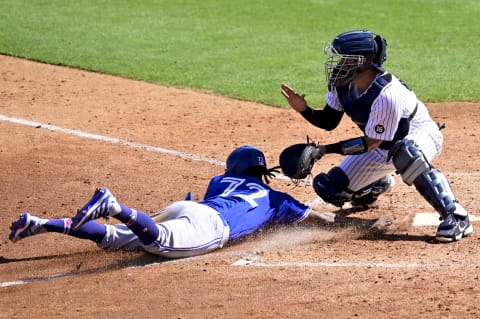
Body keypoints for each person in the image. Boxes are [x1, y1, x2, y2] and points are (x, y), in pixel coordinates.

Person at [280, 29, 473, 243]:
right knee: (330, 188)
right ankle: (373, 186)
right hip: (381, 147)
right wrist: (303, 109)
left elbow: (369, 143)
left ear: (362, 62)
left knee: (405, 153)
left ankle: (456, 216)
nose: (339, 63)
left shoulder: (386, 94)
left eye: (346, 58)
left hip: (418, 135)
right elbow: (329, 121)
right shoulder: (341, 82)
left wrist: (323, 150)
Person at [9, 145, 332, 258]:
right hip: (210, 225)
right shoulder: (278, 198)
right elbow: (320, 221)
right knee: (158, 243)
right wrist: (354, 226)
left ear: (233, 168)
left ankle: (41, 223)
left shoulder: (219, 181)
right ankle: (114, 207)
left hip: (190, 209)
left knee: (114, 239)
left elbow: (214, 203)